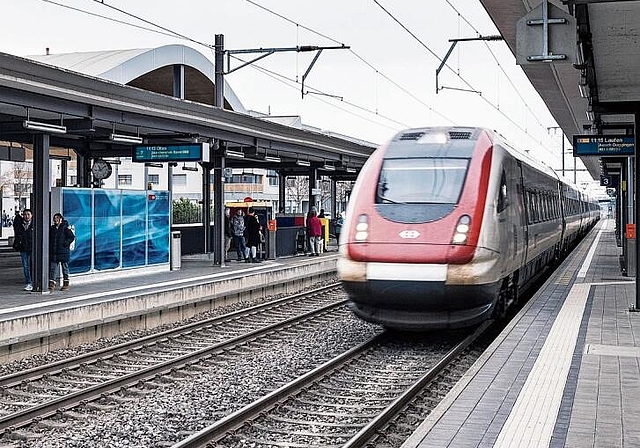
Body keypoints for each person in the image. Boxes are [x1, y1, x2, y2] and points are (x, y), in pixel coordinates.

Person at [49, 213, 75, 292]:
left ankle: (66, 284)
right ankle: (52, 284)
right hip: (55, 252)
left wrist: (65, 244)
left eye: (57, 218)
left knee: (65, 268)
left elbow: (72, 237)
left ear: (61, 219)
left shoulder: (65, 228)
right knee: (53, 268)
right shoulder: (52, 228)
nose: (55, 220)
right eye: (55, 218)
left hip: (63, 252)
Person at [13, 209, 33, 291]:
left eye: (28, 214)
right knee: (26, 266)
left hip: (32, 248)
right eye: (25, 214)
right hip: (23, 248)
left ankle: (34, 281)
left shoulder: (35, 225)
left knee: (33, 265)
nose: (26, 216)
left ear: (32, 215)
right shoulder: (20, 225)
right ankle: (29, 282)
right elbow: (17, 236)